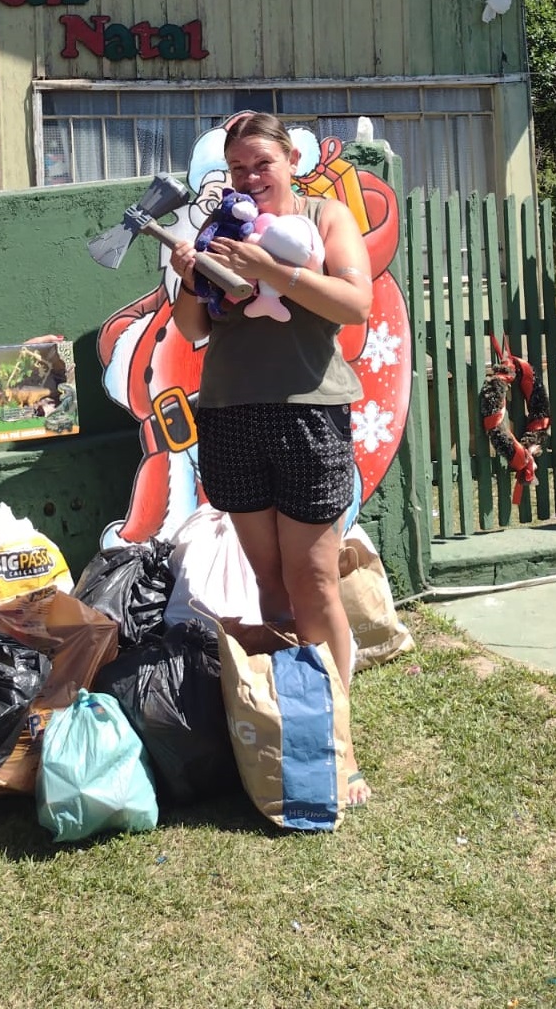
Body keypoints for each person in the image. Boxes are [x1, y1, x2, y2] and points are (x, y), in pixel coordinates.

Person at [168, 111, 374, 808]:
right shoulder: (216, 227)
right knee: (268, 582)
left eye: (262, 163)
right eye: (238, 168)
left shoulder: (325, 216)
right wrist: (186, 279)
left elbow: (354, 304)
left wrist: (273, 270)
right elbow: (195, 332)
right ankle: (296, 720)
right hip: (230, 411)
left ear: (291, 160)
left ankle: (337, 744)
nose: (251, 178)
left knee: (313, 580)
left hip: (310, 409)